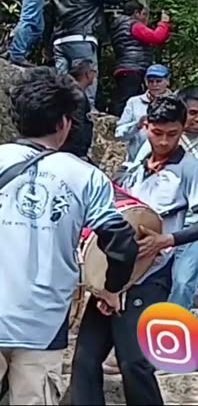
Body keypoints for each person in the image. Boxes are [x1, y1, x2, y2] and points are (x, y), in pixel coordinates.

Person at [0, 68, 137, 405]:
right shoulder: (85, 176)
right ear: (64, 123)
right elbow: (120, 241)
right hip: (42, 325)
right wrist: (112, 288)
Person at [71, 94, 198, 405]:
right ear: (146, 126)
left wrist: (168, 239)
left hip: (150, 276)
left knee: (134, 362)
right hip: (114, 274)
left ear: (182, 130)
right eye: (157, 132)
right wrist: (105, 284)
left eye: (173, 133)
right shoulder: (136, 165)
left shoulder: (191, 168)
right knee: (85, 359)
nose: (164, 141)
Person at [133, 87, 198, 309]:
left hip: (195, 225)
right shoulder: (152, 143)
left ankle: (173, 332)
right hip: (157, 227)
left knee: (183, 282)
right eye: (193, 112)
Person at [50, 0, 130, 107]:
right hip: (82, 37)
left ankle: (59, 106)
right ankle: (87, 108)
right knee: (87, 74)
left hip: (60, 40)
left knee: (61, 77)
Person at [108, 2, 171, 116]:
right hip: (135, 66)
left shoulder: (117, 26)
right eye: (143, 14)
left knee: (125, 97)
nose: (144, 18)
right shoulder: (134, 25)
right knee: (128, 99)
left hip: (123, 65)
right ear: (136, 13)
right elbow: (156, 37)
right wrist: (164, 24)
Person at [115, 64, 172, 160]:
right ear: (145, 82)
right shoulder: (134, 102)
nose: (154, 85)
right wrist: (137, 125)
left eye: (158, 81)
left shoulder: (177, 102)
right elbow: (119, 134)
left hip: (168, 160)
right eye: (151, 81)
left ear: (167, 81)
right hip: (136, 161)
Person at [61, 59, 97, 161]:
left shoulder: (72, 91)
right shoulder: (77, 95)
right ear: (87, 74)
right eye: (94, 72)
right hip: (73, 151)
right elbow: (76, 124)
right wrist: (79, 150)